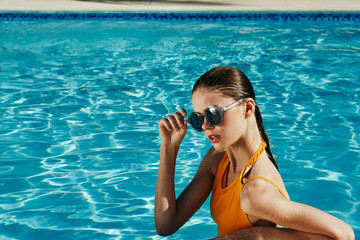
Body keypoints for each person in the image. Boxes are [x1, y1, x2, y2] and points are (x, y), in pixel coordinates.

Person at [155, 66, 354, 240]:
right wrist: (169, 149)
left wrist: (255, 236)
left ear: (247, 108)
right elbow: (166, 225)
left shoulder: (256, 192)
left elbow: (343, 234)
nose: (206, 126)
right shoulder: (218, 160)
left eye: (213, 114)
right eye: (198, 118)